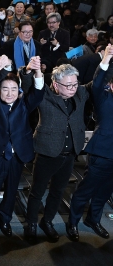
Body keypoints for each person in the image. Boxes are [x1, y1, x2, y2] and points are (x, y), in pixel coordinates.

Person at [24, 61, 90, 243]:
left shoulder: (81, 94)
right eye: (68, 85)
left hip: (69, 154)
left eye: (75, 84)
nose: (72, 88)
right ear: (55, 84)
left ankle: (47, 221)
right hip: (47, 152)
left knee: (58, 191)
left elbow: (97, 82)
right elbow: (29, 84)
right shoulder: (44, 95)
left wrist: (107, 60)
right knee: (37, 191)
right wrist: (30, 70)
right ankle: (30, 223)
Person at [0, 55, 45, 237]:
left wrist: (38, 70)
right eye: (5, 89)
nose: (9, 93)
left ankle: (5, 219)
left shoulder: (24, 105)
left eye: (13, 89)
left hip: (16, 156)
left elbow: (38, 91)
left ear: (19, 91)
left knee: (11, 191)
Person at [67, 44, 113, 242]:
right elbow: (96, 83)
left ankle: (93, 220)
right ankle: (73, 223)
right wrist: (104, 61)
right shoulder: (104, 97)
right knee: (86, 190)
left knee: (104, 192)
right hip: (102, 152)